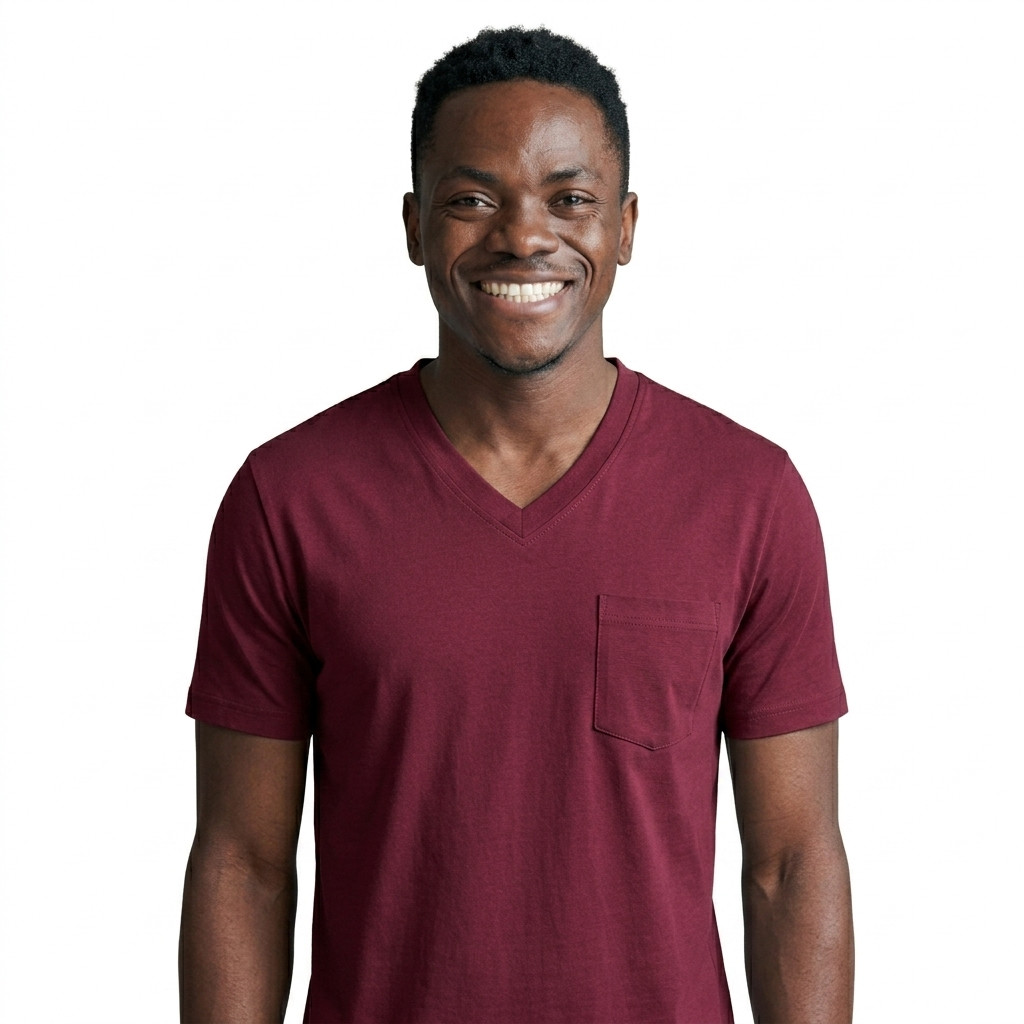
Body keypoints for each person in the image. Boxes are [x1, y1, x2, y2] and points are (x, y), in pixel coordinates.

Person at [179, 26, 853, 1024]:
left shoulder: (747, 496)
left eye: (569, 198)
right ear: (414, 225)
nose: (523, 236)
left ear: (625, 226)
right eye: (472, 199)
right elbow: (242, 862)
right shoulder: (289, 498)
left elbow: (792, 863)